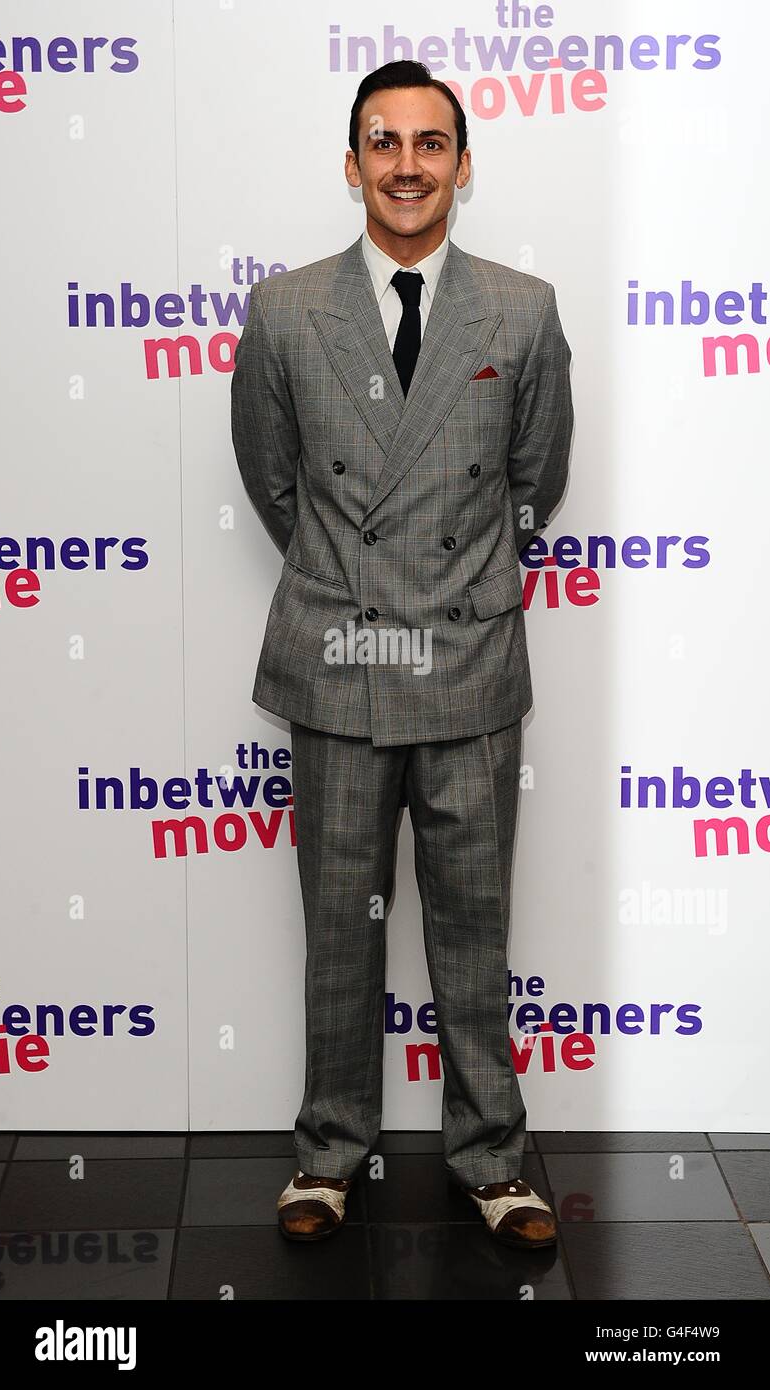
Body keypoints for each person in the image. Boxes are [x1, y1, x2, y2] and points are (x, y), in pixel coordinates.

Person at [231, 59, 574, 1251]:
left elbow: (537, 481)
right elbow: (273, 482)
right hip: (335, 659)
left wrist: (457, 590)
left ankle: (493, 1161)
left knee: (474, 927)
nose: (407, 164)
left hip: (470, 664)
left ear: (462, 166)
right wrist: (347, 582)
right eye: (384, 143)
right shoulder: (283, 312)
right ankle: (328, 1154)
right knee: (340, 925)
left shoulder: (520, 310)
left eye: (430, 144)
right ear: (351, 163)